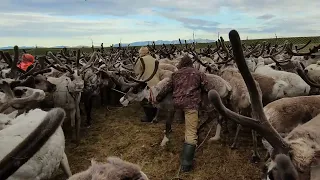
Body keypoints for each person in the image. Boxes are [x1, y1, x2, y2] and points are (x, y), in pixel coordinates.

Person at [155, 55, 211, 172]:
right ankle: (186, 164)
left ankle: (168, 134)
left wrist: (158, 98)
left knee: (175, 118)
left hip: (177, 104)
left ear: (181, 64)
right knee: (190, 131)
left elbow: (166, 88)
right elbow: (209, 87)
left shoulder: (176, 74)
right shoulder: (198, 73)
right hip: (192, 105)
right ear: (191, 64)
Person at [134, 46, 161, 122]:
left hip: (146, 83)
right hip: (157, 83)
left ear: (141, 53)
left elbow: (137, 72)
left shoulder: (141, 60)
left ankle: (148, 117)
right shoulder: (155, 59)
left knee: (144, 100)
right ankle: (154, 115)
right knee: (155, 99)